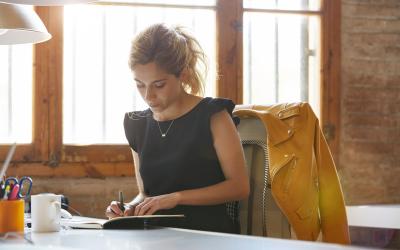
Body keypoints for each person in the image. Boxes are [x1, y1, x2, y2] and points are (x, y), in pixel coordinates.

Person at [105, 23, 249, 233]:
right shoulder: (136, 124)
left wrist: (177, 198)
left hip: (209, 236)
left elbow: (239, 187)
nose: (148, 96)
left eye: (159, 84)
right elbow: (146, 194)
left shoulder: (214, 116)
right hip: (155, 236)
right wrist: (128, 208)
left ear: (183, 74)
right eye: (140, 85)